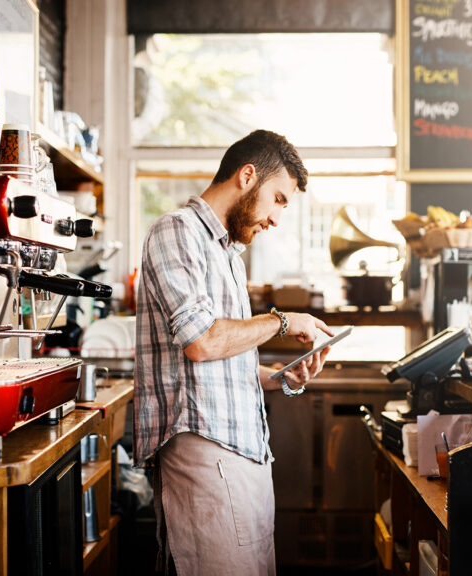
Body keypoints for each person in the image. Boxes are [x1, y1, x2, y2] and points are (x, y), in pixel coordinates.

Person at [134, 129, 333, 576]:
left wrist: (279, 376)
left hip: (246, 457)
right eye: (278, 199)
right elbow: (202, 342)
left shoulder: (229, 255)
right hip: (205, 455)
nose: (277, 219)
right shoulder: (176, 231)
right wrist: (282, 321)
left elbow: (222, 359)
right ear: (247, 176)